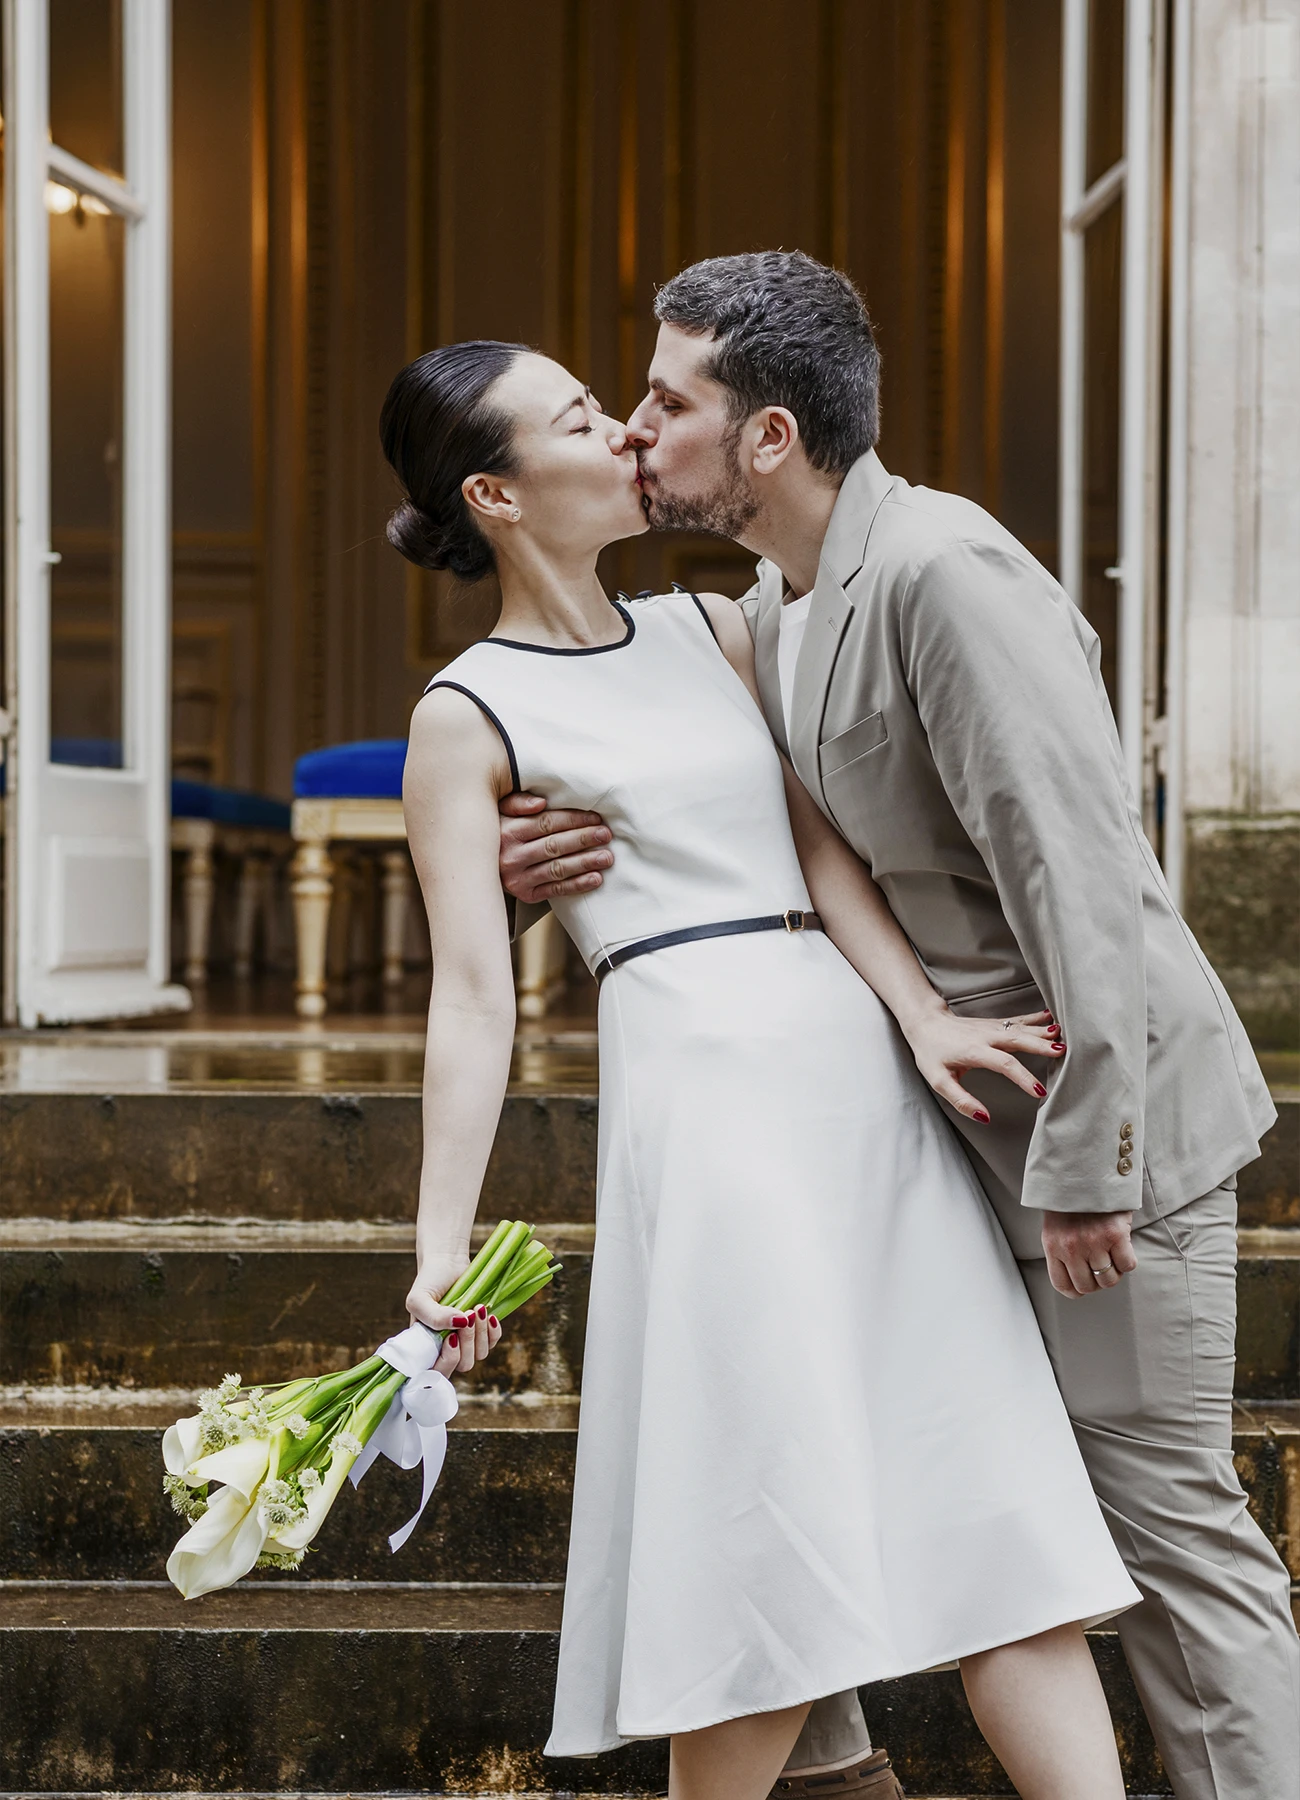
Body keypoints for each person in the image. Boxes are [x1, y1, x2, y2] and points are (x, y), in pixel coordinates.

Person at [497, 252, 1299, 1800]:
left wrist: (1094, 1161)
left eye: (671, 401)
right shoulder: (773, 611)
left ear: (772, 437)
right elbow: (763, 835)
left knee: (1169, 1549)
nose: (640, 431)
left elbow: (1084, 875)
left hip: (1103, 1146)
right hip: (932, 1145)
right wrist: (547, 858)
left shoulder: (942, 570)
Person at [383, 336, 1141, 1800]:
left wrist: (922, 1022)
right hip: (705, 1100)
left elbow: (818, 847)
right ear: (495, 491)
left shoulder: (717, 627)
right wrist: (438, 1250)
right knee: (758, 1546)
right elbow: (475, 1000)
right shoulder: (463, 714)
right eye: (582, 421)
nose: (624, 435)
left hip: (856, 1080)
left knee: (1003, 1515)